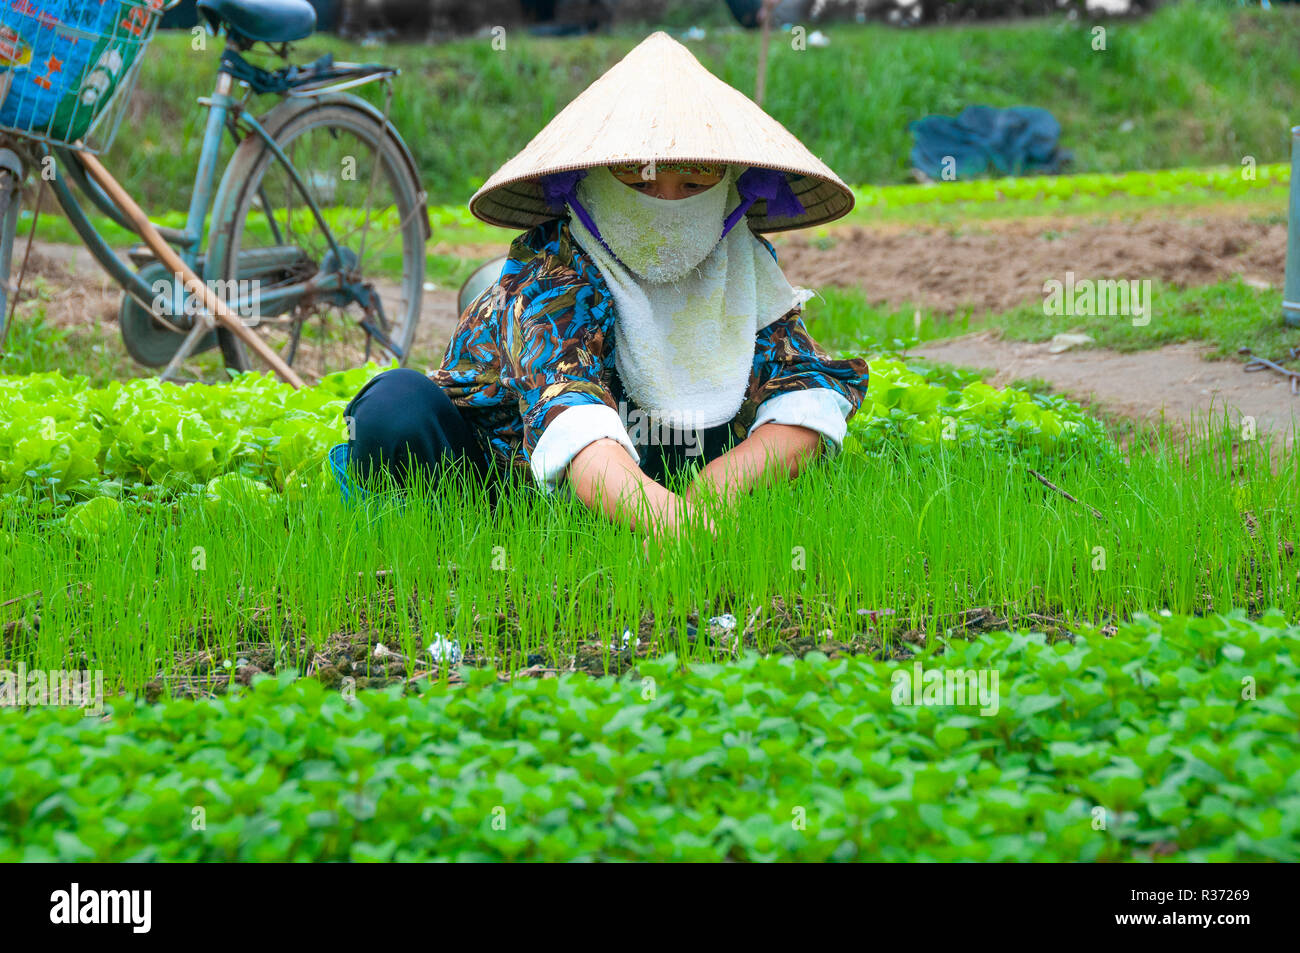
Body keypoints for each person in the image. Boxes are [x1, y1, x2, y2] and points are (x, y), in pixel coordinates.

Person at [338, 31, 869, 538]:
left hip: (655, 472)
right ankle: (471, 532)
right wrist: (678, 528)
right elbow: (573, 415)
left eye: (693, 181)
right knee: (396, 407)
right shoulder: (550, 271)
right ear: (591, 180)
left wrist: (711, 495)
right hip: (511, 472)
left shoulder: (740, 263)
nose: (666, 203)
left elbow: (804, 389)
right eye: (639, 181)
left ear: (729, 184)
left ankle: (634, 515)